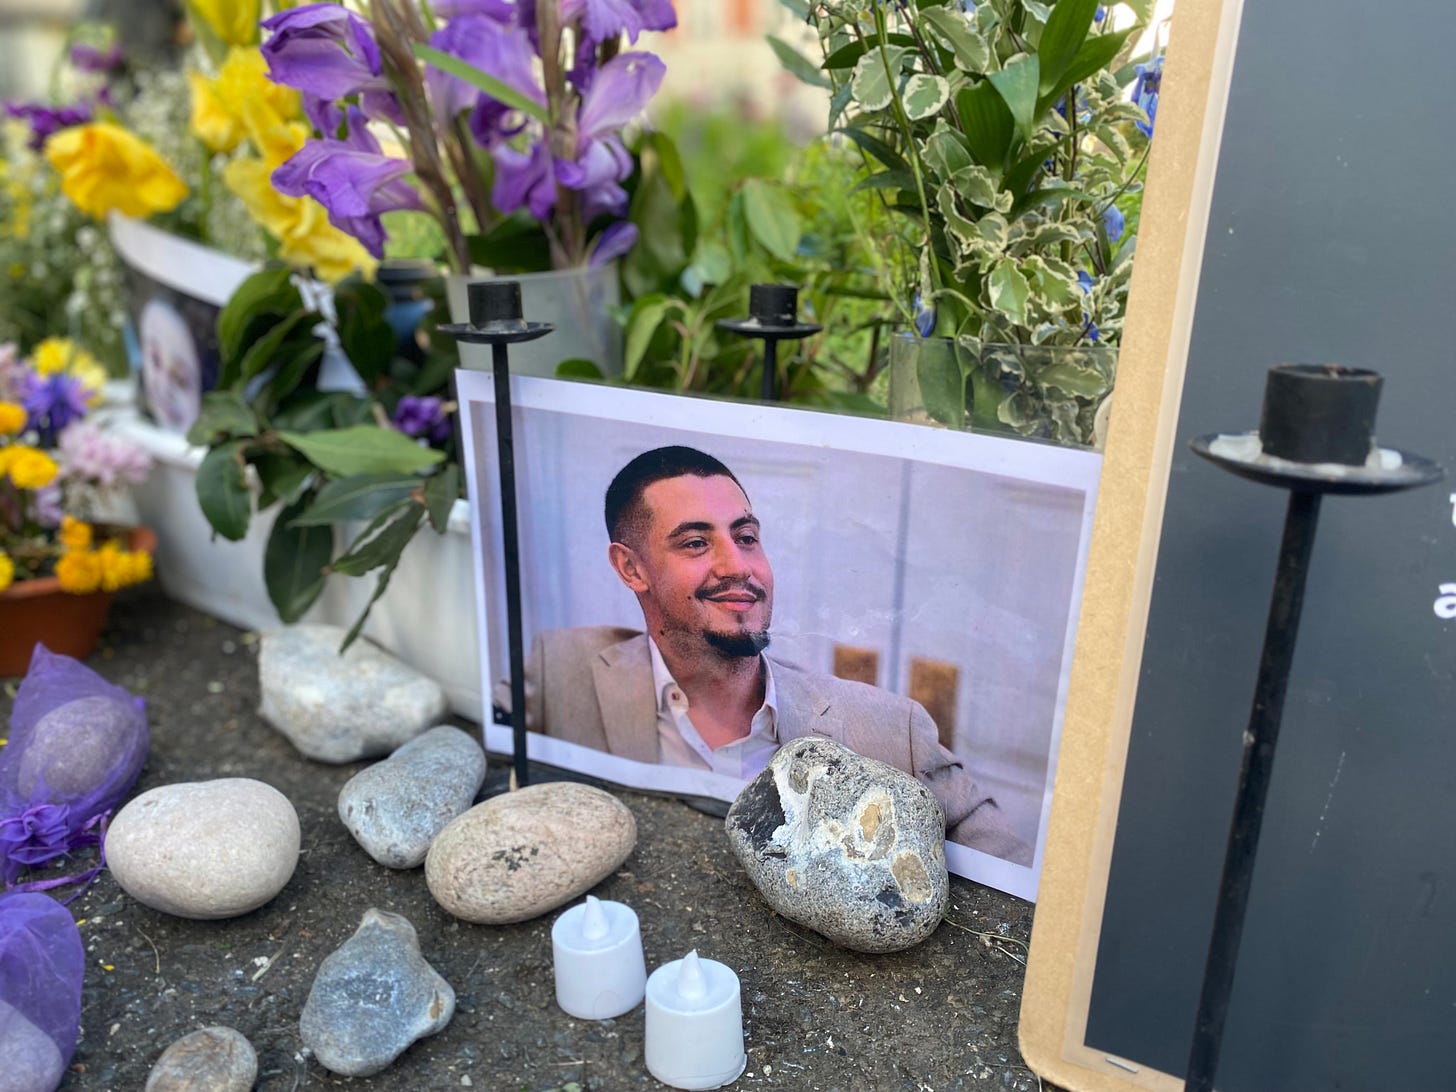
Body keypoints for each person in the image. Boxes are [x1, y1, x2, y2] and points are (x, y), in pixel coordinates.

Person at [506, 445, 1033, 865]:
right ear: (631, 568)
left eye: (747, 536)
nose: (739, 566)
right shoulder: (561, 667)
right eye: (695, 543)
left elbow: (1014, 885)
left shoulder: (892, 730)